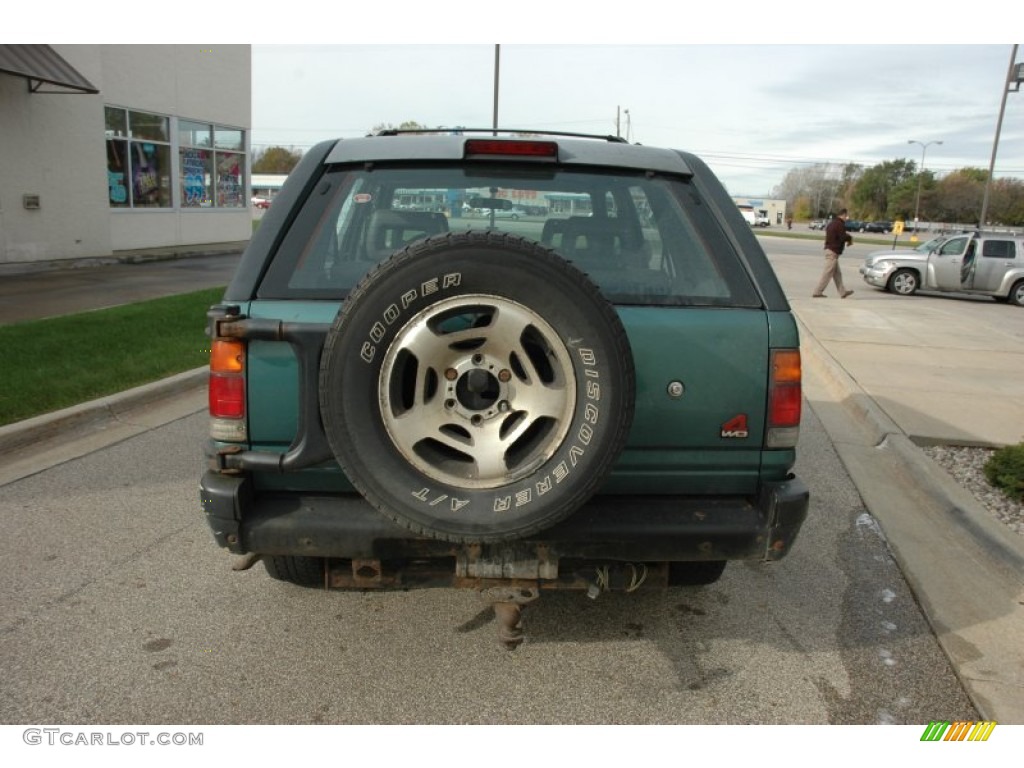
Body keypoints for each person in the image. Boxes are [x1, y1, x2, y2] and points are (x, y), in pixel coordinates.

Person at [813, 209, 855, 298]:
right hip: (833, 252)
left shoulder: (832, 224)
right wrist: (849, 237)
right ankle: (817, 292)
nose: (847, 218)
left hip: (830, 250)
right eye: (846, 216)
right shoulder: (839, 224)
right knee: (827, 273)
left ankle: (842, 292)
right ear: (843, 215)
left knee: (837, 274)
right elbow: (842, 237)